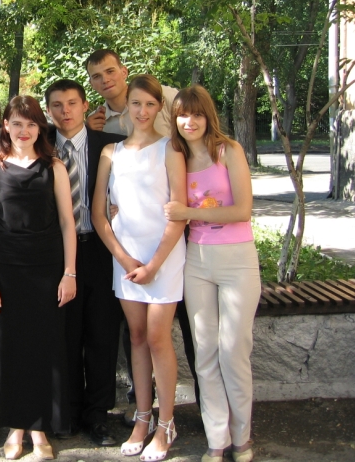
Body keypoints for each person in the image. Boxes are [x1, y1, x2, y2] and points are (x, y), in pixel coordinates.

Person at [84, 48, 198, 424]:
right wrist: (124, 258)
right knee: (135, 337)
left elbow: (178, 212)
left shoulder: (172, 148)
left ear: (160, 106)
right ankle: (143, 418)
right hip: (126, 258)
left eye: (150, 104)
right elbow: (98, 213)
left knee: (158, 337)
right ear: (127, 107)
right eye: (136, 104)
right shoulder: (109, 149)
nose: (142, 111)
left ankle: (166, 424)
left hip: (163, 256)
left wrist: (152, 265)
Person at [163, 85, 259, 462]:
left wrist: (189, 213)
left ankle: (242, 438)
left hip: (237, 260)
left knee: (234, 351)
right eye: (182, 115)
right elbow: (163, 201)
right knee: (205, 352)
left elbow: (242, 211)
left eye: (197, 114)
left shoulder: (228, 151)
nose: (189, 121)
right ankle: (216, 440)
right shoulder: (177, 155)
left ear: (208, 116)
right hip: (198, 262)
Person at [0, 95, 77, 460]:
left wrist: (69, 273)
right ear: (6, 125)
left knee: (44, 349)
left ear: (40, 128)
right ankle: (15, 427)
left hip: (48, 271)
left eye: (31, 124)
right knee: (11, 351)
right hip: (7, 272)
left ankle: (39, 430)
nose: (24, 131)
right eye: (17, 123)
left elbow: (68, 223)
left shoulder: (54, 168)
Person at [44, 79, 124, 446]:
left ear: (85, 104)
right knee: (65, 335)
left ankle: (98, 416)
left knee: (102, 335)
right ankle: (70, 412)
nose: (66, 111)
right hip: (58, 254)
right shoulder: (39, 144)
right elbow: (5, 125)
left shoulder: (109, 145)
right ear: (48, 110)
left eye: (72, 103)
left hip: (100, 250)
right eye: (57, 105)